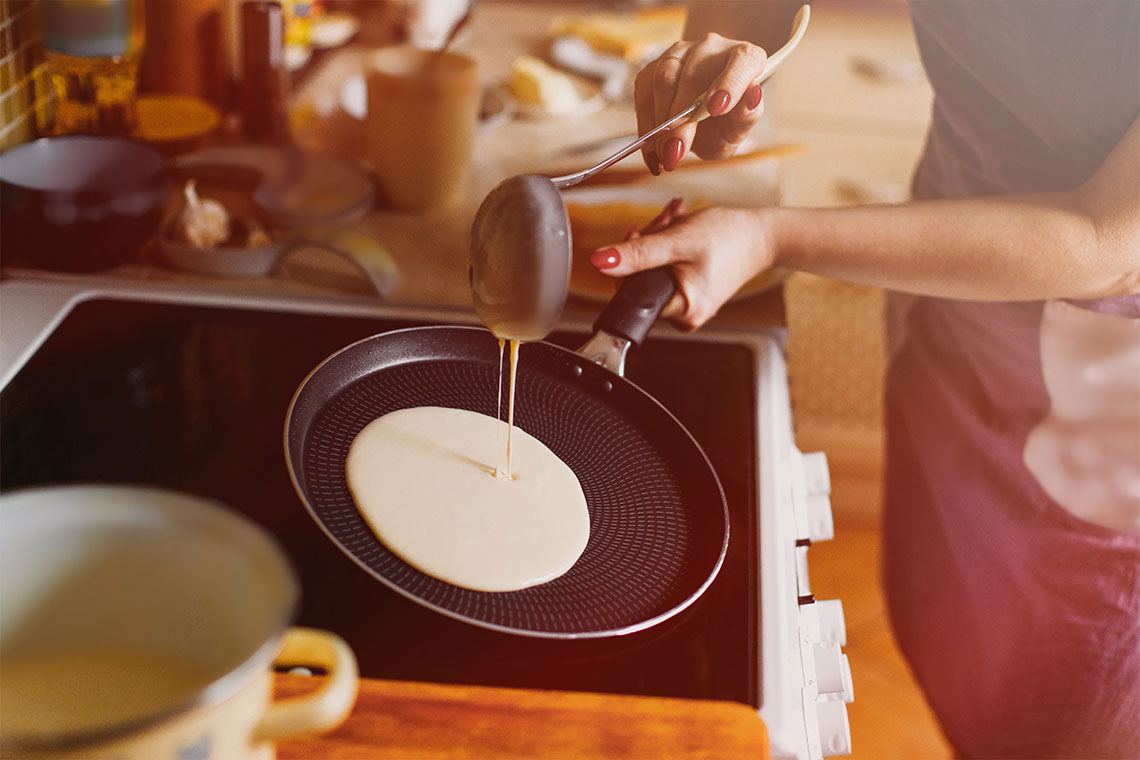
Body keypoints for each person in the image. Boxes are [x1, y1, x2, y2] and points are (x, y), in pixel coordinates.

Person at [591, 2, 1140, 757]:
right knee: (958, 644)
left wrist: (774, 235)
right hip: (958, 297)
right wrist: (722, 56)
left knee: (1079, 703)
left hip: (1113, 418)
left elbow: (1107, 240)